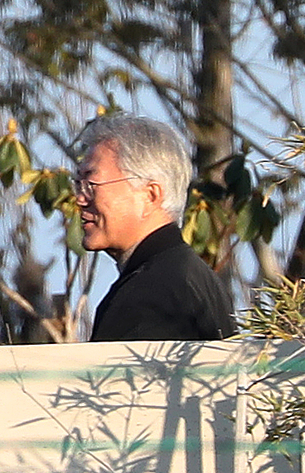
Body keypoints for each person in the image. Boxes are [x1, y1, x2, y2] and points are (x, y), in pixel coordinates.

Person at [73, 114, 236, 342]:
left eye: (91, 185)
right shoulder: (192, 275)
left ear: (150, 195)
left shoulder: (152, 292)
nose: (80, 199)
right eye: (78, 184)